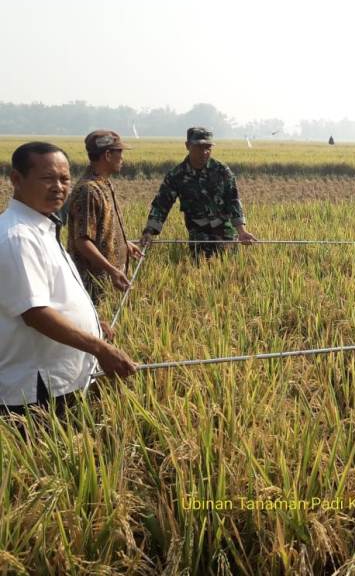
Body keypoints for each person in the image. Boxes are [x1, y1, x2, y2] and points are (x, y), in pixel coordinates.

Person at [0, 142, 136, 415]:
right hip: (38, 388)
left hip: (60, 380)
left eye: (64, 179)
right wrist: (99, 347)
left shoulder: (42, 226)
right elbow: (35, 313)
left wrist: (94, 324)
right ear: (17, 179)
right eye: (48, 178)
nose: (59, 187)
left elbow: (52, 295)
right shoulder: (17, 237)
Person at [140, 127, 256, 259]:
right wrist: (149, 231)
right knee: (199, 271)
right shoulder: (177, 175)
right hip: (198, 236)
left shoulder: (222, 171)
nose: (205, 152)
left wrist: (242, 231)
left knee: (228, 273)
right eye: (200, 147)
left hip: (226, 233)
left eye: (208, 148)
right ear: (188, 146)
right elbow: (161, 205)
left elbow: (233, 201)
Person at [67, 130, 142, 303]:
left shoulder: (104, 183)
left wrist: (124, 244)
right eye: (120, 152)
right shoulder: (89, 190)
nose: (122, 158)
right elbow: (82, 241)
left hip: (108, 281)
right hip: (93, 283)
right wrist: (111, 270)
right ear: (107, 155)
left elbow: (101, 229)